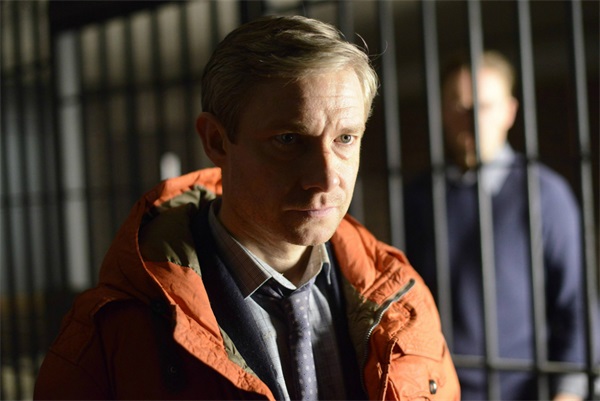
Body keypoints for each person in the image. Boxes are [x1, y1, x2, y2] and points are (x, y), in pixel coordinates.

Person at [34, 15, 460, 400]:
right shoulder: (111, 335)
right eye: (288, 140)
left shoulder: (403, 299)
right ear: (216, 141)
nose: (327, 178)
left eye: (345, 138)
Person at [404, 50, 589, 401]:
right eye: (459, 105)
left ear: (510, 112)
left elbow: (576, 305)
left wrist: (568, 392)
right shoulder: (419, 196)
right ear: (442, 111)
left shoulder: (544, 194)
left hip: (524, 392)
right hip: (434, 389)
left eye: (485, 106)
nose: (471, 118)